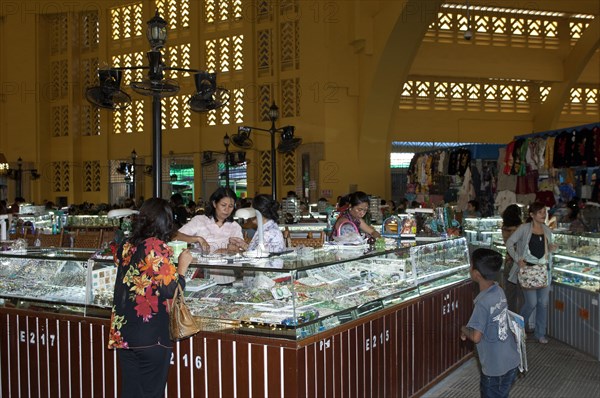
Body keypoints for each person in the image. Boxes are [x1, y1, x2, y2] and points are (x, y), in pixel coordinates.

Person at [108, 198, 192, 398]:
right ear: (165, 222)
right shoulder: (155, 246)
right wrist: (182, 268)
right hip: (151, 335)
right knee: (151, 393)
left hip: (124, 334)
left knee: (132, 392)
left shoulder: (126, 246)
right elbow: (171, 291)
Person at [460, 248, 520, 398]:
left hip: (495, 369)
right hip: (511, 360)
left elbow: (476, 337)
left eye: (471, 265)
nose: (469, 268)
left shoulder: (482, 302)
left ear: (476, 274)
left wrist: (463, 329)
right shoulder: (499, 290)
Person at [506, 201, 556, 344]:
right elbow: (509, 243)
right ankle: (517, 328)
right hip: (528, 271)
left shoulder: (547, 230)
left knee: (543, 303)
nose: (543, 215)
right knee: (531, 303)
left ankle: (540, 334)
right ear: (532, 215)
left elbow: (546, 250)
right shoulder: (524, 228)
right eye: (540, 212)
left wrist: (551, 248)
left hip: (543, 271)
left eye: (544, 212)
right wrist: (517, 259)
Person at [174, 187, 243, 284]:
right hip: (199, 276)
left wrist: (233, 250)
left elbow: (240, 253)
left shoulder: (235, 227)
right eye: (223, 205)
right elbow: (175, 236)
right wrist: (198, 239)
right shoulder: (200, 220)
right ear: (215, 203)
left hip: (225, 277)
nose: (227, 210)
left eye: (231, 206)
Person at [500, 204, 523, 313]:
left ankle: (510, 318)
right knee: (522, 294)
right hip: (520, 262)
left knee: (509, 294)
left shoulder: (504, 228)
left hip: (509, 261)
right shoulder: (521, 228)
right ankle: (523, 321)